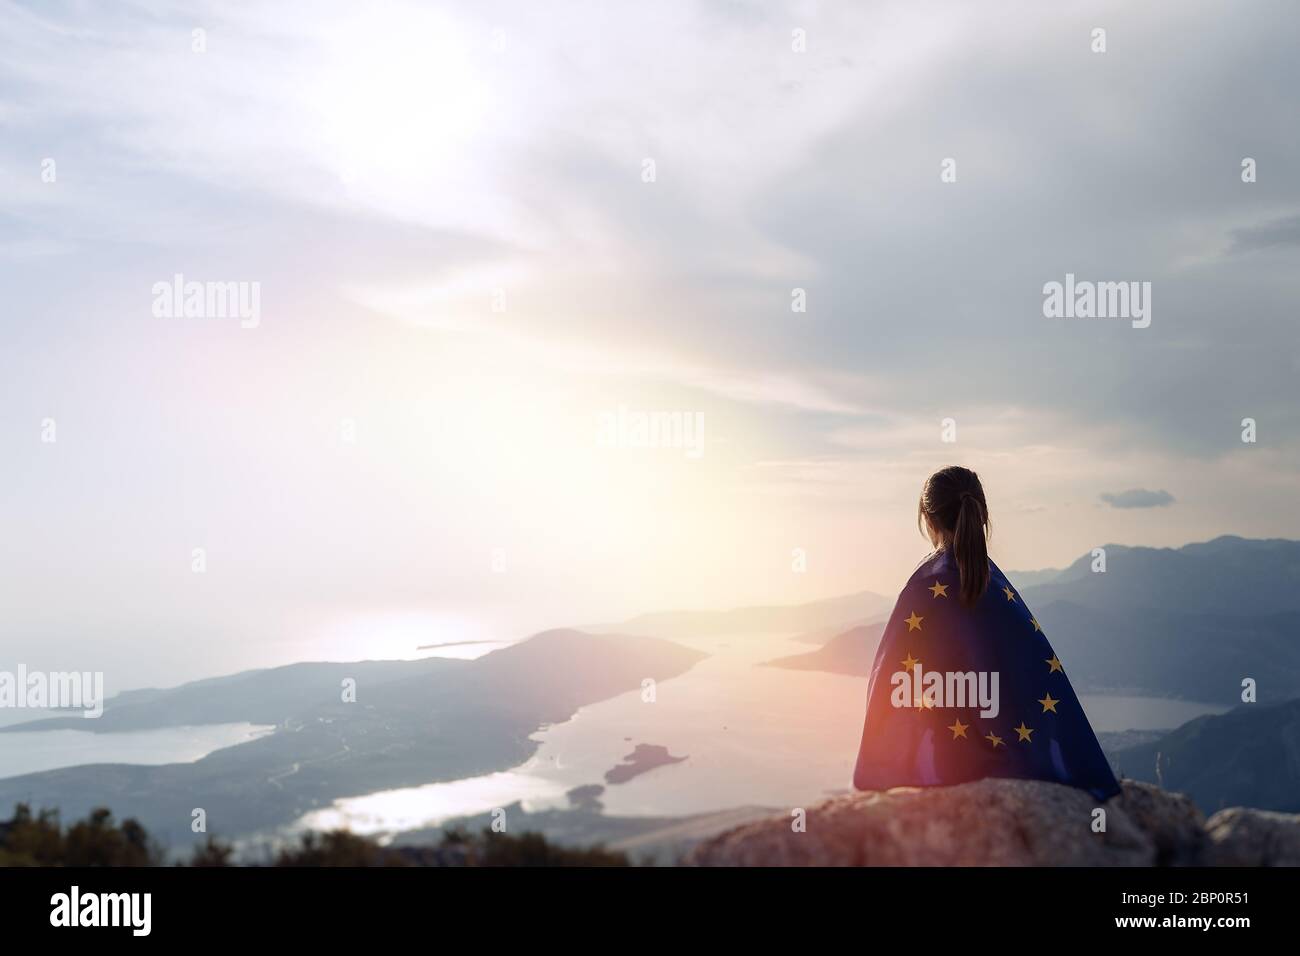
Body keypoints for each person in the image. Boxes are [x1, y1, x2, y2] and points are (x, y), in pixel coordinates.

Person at [852, 465, 1120, 800]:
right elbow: (1039, 685)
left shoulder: (923, 589)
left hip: (945, 769)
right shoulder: (998, 590)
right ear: (983, 515)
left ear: (928, 520)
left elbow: (891, 685)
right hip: (1016, 766)